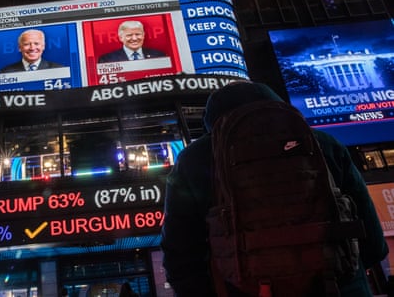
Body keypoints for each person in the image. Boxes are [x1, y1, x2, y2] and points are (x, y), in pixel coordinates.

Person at [160, 80, 388, 297]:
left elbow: (179, 254)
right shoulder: (324, 143)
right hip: (339, 287)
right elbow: (373, 241)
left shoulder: (193, 160)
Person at [97, 20, 166, 63]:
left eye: (138, 34)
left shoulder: (159, 55)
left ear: (143, 35)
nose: (134, 38)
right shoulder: (107, 60)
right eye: (129, 35)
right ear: (121, 38)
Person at [0, 29, 64, 73]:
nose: (32, 48)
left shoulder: (59, 69)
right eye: (27, 44)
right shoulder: (5, 72)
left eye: (36, 43)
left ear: (43, 46)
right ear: (19, 47)